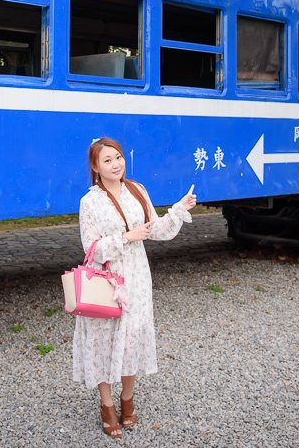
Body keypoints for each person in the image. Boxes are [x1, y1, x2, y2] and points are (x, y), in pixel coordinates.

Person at [72, 136, 197, 438]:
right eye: (107, 160)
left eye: (118, 157)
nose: (116, 164)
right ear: (95, 166)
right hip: (105, 279)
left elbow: (156, 231)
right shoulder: (90, 201)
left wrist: (178, 209)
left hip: (138, 276)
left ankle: (127, 398)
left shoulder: (138, 191)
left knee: (132, 338)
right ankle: (106, 406)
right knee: (102, 341)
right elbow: (90, 247)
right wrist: (126, 238)